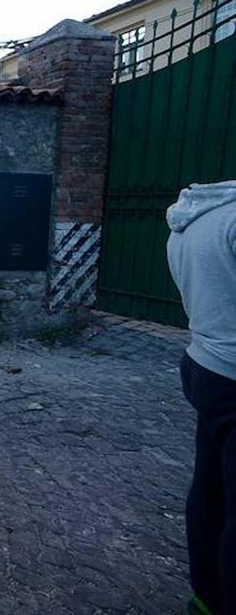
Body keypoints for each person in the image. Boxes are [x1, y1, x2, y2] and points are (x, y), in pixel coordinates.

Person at [167, 180, 236, 615]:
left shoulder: (189, 221)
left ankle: (206, 597)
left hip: (204, 364)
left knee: (210, 491)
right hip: (230, 373)